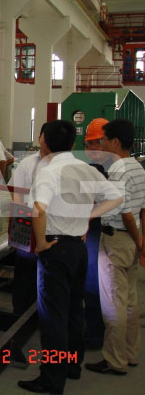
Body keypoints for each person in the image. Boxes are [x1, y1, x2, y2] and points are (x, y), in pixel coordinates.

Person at [18, 120, 123, 394]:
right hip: (78, 249)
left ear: (44, 142)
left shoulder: (48, 171)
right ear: (73, 143)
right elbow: (116, 197)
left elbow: (39, 209)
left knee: (53, 317)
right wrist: (87, 216)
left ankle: (52, 379)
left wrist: (41, 243)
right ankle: (72, 367)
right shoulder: (86, 169)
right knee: (75, 310)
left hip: (55, 249)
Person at [86, 119, 145, 375]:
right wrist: (141, 241)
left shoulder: (119, 170)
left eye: (104, 140)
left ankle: (115, 360)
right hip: (131, 241)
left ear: (116, 142)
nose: (102, 145)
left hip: (117, 240)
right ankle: (130, 354)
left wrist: (136, 238)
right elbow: (142, 210)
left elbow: (127, 213)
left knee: (113, 304)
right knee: (130, 301)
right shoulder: (137, 167)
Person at [7, 123, 50, 367]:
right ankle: (16, 342)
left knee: (47, 285)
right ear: (41, 138)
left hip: (51, 232)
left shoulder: (63, 165)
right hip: (26, 228)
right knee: (24, 283)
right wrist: (21, 229)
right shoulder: (27, 164)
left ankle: (45, 330)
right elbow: (16, 196)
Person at [82, 117, 110, 350]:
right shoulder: (92, 168)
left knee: (94, 284)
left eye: (97, 143)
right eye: (89, 143)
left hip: (99, 231)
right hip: (96, 230)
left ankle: (96, 336)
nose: (92, 148)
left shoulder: (109, 170)